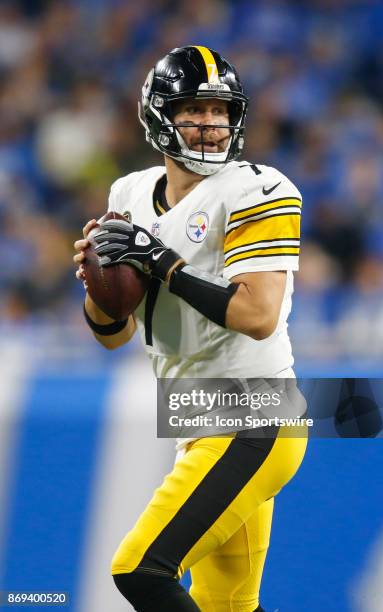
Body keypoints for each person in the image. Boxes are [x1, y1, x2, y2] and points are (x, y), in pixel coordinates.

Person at [74, 45, 307, 612]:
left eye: (221, 111)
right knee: (229, 605)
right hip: (196, 419)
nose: (210, 124)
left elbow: (257, 316)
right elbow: (115, 335)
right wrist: (97, 288)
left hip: (255, 417)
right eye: (194, 109)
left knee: (140, 569)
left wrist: (161, 264)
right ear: (158, 116)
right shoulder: (129, 194)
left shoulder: (258, 188)